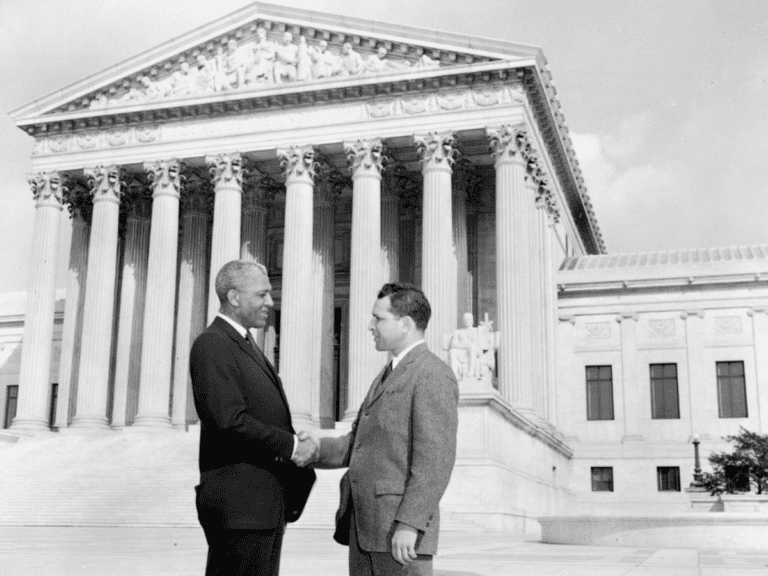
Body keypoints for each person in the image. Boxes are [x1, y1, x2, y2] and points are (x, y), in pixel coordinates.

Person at [296, 283, 459, 576]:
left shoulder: (432, 374)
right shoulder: (386, 375)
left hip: (400, 536)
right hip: (367, 530)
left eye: (378, 318)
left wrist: (410, 523)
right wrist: (315, 447)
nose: (370, 326)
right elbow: (356, 444)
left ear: (406, 324)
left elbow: (435, 461)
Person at [190, 260, 318, 576]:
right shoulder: (213, 344)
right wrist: (290, 445)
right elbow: (228, 422)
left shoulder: (244, 344)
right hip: (240, 506)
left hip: (260, 506)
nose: (271, 303)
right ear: (234, 297)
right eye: (262, 295)